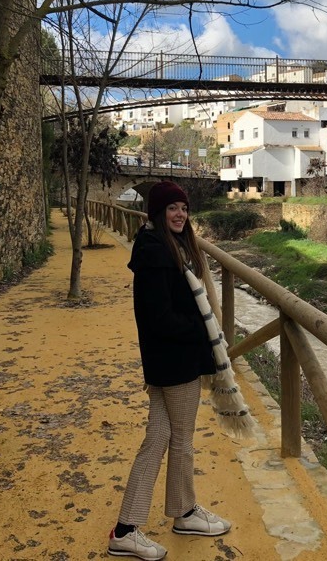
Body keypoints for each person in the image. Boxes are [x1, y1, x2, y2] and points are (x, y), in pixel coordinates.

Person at [108, 181, 232, 560]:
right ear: (157, 213)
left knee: (158, 438)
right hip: (175, 362)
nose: (180, 215)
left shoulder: (162, 247)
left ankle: (127, 528)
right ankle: (184, 512)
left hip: (166, 360)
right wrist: (201, 330)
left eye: (184, 208)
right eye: (172, 208)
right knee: (181, 441)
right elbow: (158, 317)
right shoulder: (157, 254)